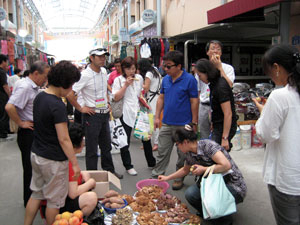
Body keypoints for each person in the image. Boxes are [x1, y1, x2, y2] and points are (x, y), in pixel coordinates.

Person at [24, 61, 81, 225]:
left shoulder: (40, 96)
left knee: (36, 194)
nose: (71, 90)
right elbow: (63, 139)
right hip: (53, 161)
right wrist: (75, 164)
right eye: (70, 85)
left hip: (37, 154)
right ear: (64, 83)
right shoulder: (57, 105)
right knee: (54, 201)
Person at [158, 123, 246, 225]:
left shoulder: (208, 146)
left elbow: (226, 165)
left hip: (232, 184)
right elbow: (185, 170)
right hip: (212, 184)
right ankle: (212, 214)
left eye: (177, 144)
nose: (177, 147)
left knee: (214, 199)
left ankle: (224, 219)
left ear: (185, 142)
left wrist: (203, 169)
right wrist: (167, 177)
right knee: (191, 194)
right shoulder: (190, 153)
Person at [253, 44, 300, 225]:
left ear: (277, 68)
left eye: (269, 71)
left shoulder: (280, 96)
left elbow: (265, 134)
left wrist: (263, 113)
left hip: (287, 178)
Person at [67, 48, 122, 179]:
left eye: (104, 56)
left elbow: (103, 91)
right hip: (92, 115)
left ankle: (109, 171)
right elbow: (70, 94)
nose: (103, 59)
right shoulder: (85, 75)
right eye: (99, 57)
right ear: (91, 58)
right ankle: (92, 176)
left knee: (106, 145)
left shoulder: (104, 71)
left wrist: (107, 102)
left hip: (104, 114)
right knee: (92, 148)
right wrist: (81, 108)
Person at [151, 50, 198, 190]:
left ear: (179, 66)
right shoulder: (165, 79)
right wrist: (157, 117)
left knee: (183, 155)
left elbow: (194, 101)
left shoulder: (190, 79)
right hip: (166, 122)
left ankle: (179, 178)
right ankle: (156, 177)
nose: (165, 69)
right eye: (164, 66)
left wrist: (194, 122)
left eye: (169, 66)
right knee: (162, 152)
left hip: (184, 125)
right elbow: (161, 98)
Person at [5, 61, 50, 207]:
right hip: (28, 132)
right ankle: (30, 201)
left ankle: (33, 200)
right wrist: (21, 123)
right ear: (36, 73)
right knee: (30, 169)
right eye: (45, 76)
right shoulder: (25, 87)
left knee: (34, 167)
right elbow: (10, 106)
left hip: (32, 131)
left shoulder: (29, 84)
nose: (46, 80)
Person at [112, 56, 156, 175]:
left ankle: (151, 162)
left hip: (138, 111)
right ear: (123, 69)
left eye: (133, 68)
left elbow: (140, 94)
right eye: (128, 69)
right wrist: (125, 85)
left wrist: (144, 103)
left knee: (146, 138)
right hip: (125, 112)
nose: (131, 71)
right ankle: (128, 166)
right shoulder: (118, 80)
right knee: (125, 141)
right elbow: (115, 97)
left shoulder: (140, 78)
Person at [194, 59, 237, 151]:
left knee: (216, 154)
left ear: (206, 73)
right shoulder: (213, 84)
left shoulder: (220, 86)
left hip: (225, 126)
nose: (200, 78)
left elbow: (228, 113)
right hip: (218, 124)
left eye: (200, 75)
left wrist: (225, 138)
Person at [197, 40, 235, 139]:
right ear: (207, 52)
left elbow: (229, 85)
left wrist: (220, 68)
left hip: (220, 105)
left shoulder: (228, 68)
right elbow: (198, 90)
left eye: (218, 49)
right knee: (204, 135)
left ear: (221, 52)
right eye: (212, 49)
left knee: (218, 133)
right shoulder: (201, 68)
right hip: (204, 105)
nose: (215, 51)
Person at [60, 122, 97, 216]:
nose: (84, 142)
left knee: (86, 174)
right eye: (82, 140)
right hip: (60, 205)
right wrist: (91, 182)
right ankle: (76, 220)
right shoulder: (69, 162)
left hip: (54, 199)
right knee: (91, 198)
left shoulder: (63, 153)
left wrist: (84, 175)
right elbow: (73, 193)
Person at [137, 58, 161, 151]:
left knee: (152, 122)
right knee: (152, 121)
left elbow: (146, 88)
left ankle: (155, 143)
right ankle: (149, 143)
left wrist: (138, 83)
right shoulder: (156, 71)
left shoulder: (148, 73)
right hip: (156, 98)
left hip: (151, 99)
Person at [0, 54, 10, 139]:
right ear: (3, 61)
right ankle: (3, 133)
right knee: (4, 113)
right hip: (2, 96)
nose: (7, 64)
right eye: (6, 62)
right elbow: (5, 86)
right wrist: (10, 96)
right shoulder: (2, 72)